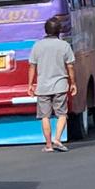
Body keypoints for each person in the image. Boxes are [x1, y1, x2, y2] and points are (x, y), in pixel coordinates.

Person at [29, 19, 76, 153]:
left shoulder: (37, 46)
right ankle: (58, 139)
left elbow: (32, 66)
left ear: (46, 30)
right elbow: (70, 66)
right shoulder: (64, 46)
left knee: (45, 116)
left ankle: (49, 144)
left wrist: (30, 84)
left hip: (43, 87)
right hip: (60, 85)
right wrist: (73, 83)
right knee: (62, 114)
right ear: (59, 30)